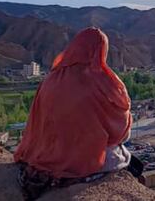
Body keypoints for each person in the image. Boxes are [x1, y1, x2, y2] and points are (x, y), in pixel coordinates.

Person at [14, 27, 140, 200]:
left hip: (43, 154)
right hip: (85, 160)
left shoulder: (50, 79)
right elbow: (120, 134)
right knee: (131, 163)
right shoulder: (106, 83)